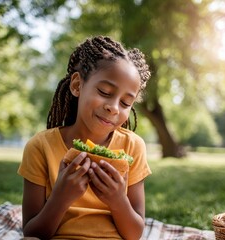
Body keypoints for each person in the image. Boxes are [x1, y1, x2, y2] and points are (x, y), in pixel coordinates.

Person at [18, 35, 152, 240]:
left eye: (125, 103)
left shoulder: (132, 146)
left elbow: (134, 234)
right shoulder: (40, 146)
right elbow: (32, 232)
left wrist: (117, 201)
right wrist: (60, 199)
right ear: (77, 85)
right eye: (104, 92)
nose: (114, 107)